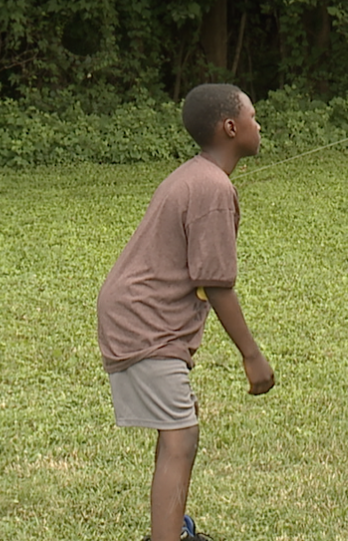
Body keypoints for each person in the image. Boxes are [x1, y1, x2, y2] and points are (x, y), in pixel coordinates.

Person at [97, 83, 276, 541]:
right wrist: (252, 355)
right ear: (230, 127)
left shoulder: (199, 177)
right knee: (182, 438)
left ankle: (172, 531)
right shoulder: (212, 187)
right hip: (144, 321)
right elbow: (215, 283)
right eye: (253, 116)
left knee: (176, 431)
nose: (259, 125)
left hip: (139, 316)